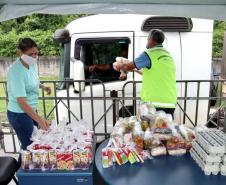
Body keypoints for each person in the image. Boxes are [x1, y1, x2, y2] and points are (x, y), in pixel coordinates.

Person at [113, 29, 177, 117]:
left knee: (149, 130)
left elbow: (128, 66)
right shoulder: (168, 55)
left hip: (153, 105)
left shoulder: (149, 54)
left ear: (151, 40)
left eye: (147, 39)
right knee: (164, 130)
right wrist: (135, 70)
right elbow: (153, 72)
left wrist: (119, 65)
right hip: (170, 103)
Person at [7, 38, 50, 152]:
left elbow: (32, 81)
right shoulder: (16, 71)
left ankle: (30, 167)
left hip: (30, 110)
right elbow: (22, 102)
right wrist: (40, 120)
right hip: (19, 114)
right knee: (29, 146)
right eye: (30, 54)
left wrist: (43, 87)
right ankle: (21, 168)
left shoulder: (31, 64)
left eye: (36, 53)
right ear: (20, 52)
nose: (34, 57)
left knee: (35, 142)